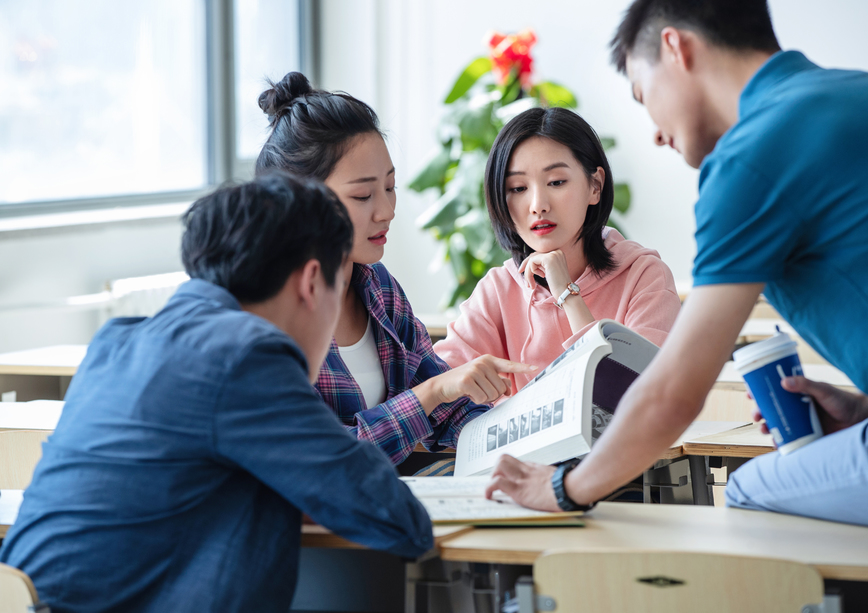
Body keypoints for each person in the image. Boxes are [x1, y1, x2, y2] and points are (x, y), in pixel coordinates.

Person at [485, 0, 868, 533]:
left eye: (645, 96)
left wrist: (563, 488)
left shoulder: (749, 158)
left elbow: (674, 391)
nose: (656, 133)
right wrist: (867, 410)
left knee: (748, 492)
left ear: (676, 48)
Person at [0, 174, 434, 612]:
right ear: (311, 280)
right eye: (339, 289)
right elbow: (397, 520)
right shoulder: (246, 355)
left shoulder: (116, 342)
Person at [256, 72, 532, 467]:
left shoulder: (377, 288)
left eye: (390, 187)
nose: (386, 211)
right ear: (300, 200)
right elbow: (324, 460)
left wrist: (521, 438)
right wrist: (433, 393)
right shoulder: (268, 316)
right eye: (363, 195)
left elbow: (447, 409)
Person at [434, 106, 681, 395]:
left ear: (595, 186)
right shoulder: (498, 290)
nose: (537, 204)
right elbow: (440, 383)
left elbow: (639, 396)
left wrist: (567, 293)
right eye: (517, 188)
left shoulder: (645, 276)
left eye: (556, 182)